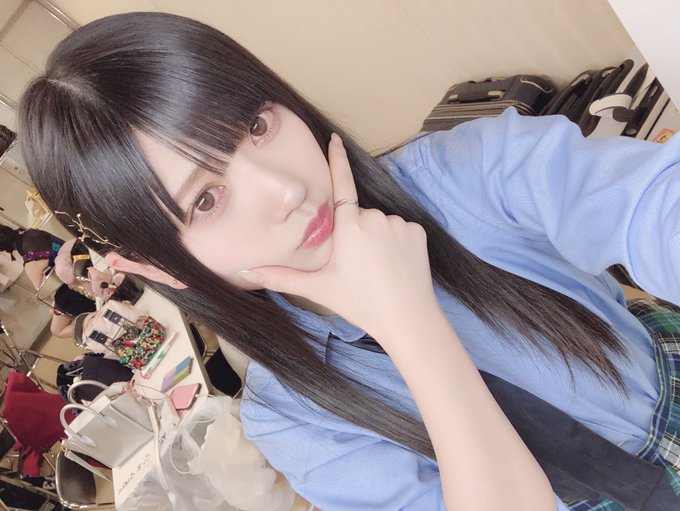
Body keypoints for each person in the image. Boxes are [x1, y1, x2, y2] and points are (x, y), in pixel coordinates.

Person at [16, 12, 680, 510]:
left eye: (257, 125)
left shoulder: (460, 174)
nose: (286, 189)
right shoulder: (295, 421)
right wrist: (409, 323)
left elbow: (651, 206)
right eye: (207, 199)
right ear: (158, 268)